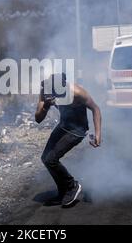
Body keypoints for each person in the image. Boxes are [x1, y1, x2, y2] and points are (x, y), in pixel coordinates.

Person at [35, 73, 102, 207]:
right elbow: (38, 118)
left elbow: (95, 109)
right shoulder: (46, 91)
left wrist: (98, 134)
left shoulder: (77, 93)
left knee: (51, 159)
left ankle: (72, 186)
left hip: (78, 129)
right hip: (63, 125)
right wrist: (46, 106)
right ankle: (64, 192)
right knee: (46, 159)